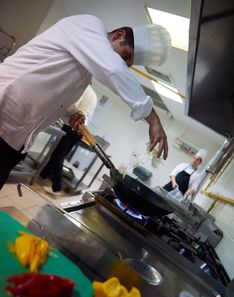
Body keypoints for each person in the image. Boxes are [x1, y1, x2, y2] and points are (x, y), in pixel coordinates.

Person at [0, 14, 171, 190]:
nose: (122, 63)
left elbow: (54, 97)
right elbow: (113, 68)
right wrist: (153, 119)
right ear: (118, 35)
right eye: (125, 55)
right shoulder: (88, 24)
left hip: (16, 140)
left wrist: (72, 112)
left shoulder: (84, 74)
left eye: (127, 63)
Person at [40, 85, 97, 195]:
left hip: (71, 126)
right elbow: (89, 115)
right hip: (81, 130)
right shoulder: (94, 96)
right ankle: (43, 174)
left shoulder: (83, 88)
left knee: (58, 155)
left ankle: (56, 188)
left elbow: (73, 106)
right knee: (58, 154)